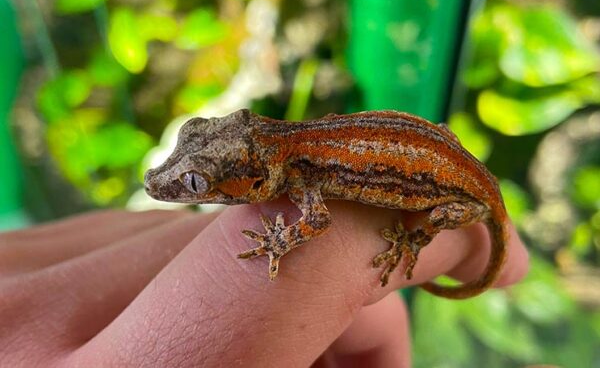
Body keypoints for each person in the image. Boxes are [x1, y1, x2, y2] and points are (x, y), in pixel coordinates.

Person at [0, 199, 528, 367]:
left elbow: (319, 224)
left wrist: (276, 245)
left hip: (456, 195)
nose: (175, 190)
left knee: (423, 225)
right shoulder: (298, 166)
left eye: (195, 185)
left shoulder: (306, 179)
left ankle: (414, 242)